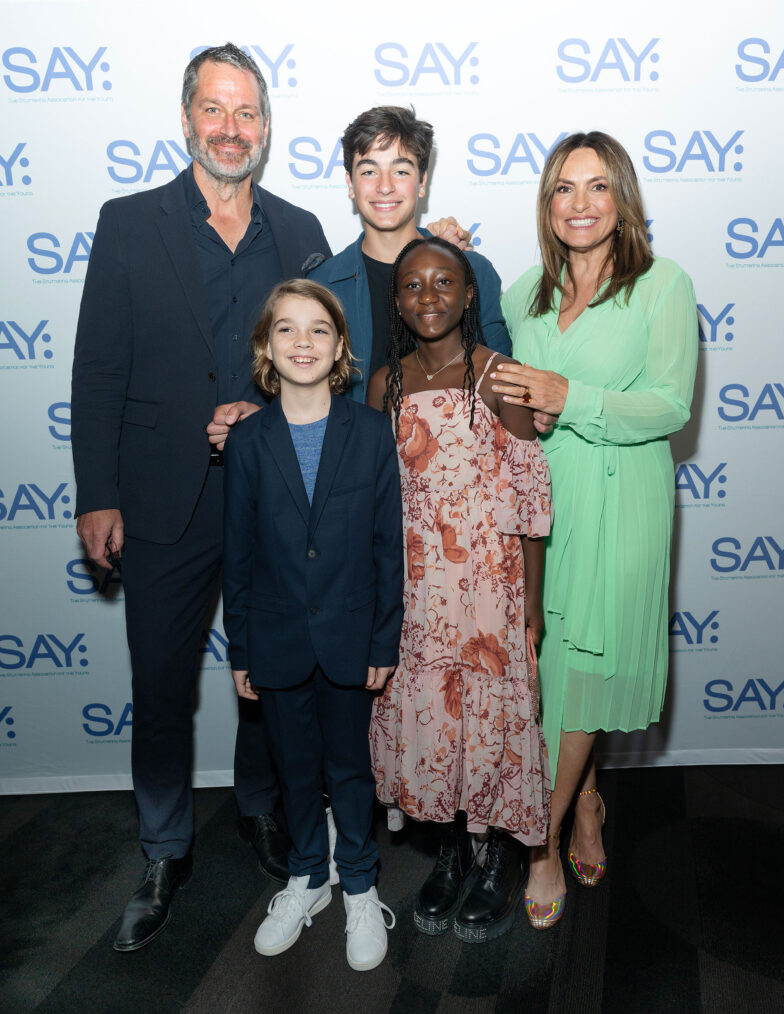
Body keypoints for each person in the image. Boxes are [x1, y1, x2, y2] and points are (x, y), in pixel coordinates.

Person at [71, 44, 333, 952]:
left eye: (247, 113)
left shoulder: (300, 231)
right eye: (214, 111)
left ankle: (262, 811)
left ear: (266, 126)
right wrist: (96, 493)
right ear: (187, 120)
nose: (231, 129)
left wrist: (261, 410)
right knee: (159, 686)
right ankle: (162, 846)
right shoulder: (129, 221)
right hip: (157, 498)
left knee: (271, 676)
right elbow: (98, 367)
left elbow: (329, 361)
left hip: (271, 496)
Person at [491, 131, 698, 928]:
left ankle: (539, 845)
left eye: (596, 187)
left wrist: (569, 395)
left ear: (622, 200)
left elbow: (672, 405)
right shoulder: (525, 294)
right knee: (549, 674)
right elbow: (467, 332)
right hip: (545, 507)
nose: (578, 204)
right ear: (546, 206)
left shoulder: (660, 285)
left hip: (625, 503)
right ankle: (587, 802)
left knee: (584, 673)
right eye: (562, 190)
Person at [367, 237, 552, 943]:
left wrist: (530, 604)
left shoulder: (498, 375)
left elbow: (531, 500)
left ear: (470, 294)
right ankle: (447, 850)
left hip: (488, 589)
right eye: (412, 286)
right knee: (431, 726)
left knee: (492, 723)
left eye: (444, 282)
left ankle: (495, 856)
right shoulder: (384, 381)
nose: (428, 297)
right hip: (415, 588)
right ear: (397, 301)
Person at [222, 279, 403, 971]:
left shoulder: (367, 432)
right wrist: (240, 646)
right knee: (293, 768)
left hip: (352, 636)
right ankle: (307, 877)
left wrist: (383, 637)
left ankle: (358, 882)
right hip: (274, 638)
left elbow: (388, 545)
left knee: (349, 768)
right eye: (287, 330)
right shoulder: (247, 442)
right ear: (267, 347)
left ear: (339, 347)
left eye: (318, 329)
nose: (303, 342)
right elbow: (237, 555)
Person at [310, 105, 511, 401]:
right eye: (369, 171)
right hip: (355, 447)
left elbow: (506, 384)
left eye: (400, 171)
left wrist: (535, 407)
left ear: (422, 182)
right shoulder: (321, 285)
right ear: (350, 184)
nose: (385, 186)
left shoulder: (473, 271)